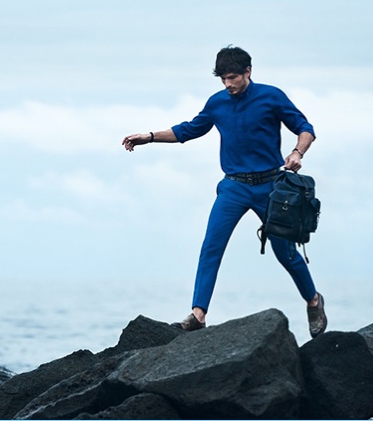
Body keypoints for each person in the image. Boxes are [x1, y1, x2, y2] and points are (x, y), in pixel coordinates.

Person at [122, 45, 327, 338]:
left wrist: (297, 152)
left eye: (233, 77)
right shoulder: (217, 103)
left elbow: (305, 128)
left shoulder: (271, 96)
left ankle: (314, 301)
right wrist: (150, 137)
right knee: (211, 246)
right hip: (234, 186)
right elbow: (188, 130)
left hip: (272, 188)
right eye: (223, 79)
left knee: (286, 254)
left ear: (248, 72)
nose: (228, 84)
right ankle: (198, 314)